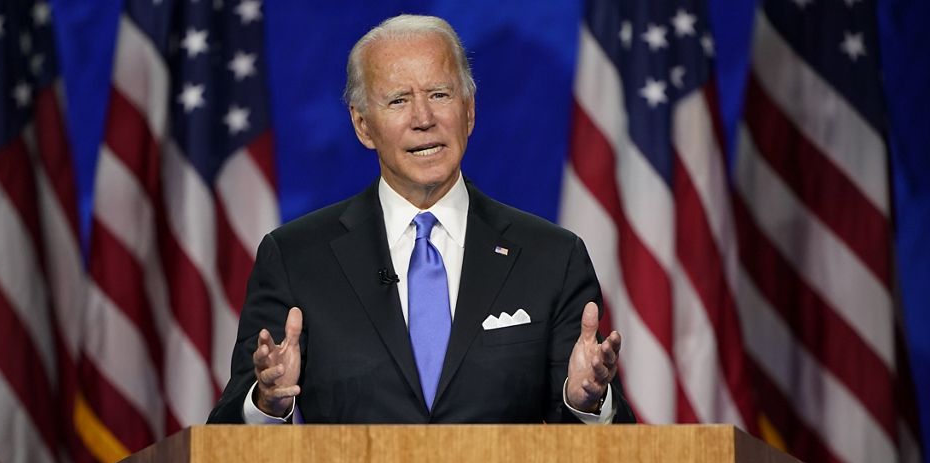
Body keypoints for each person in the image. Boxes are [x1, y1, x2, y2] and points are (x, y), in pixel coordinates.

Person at [208, 14, 634, 424]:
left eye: (440, 94)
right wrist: (265, 400)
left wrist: (586, 403)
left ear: (469, 111)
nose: (423, 119)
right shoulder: (296, 258)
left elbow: (609, 448)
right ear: (363, 126)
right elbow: (227, 436)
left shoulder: (551, 257)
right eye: (398, 100)